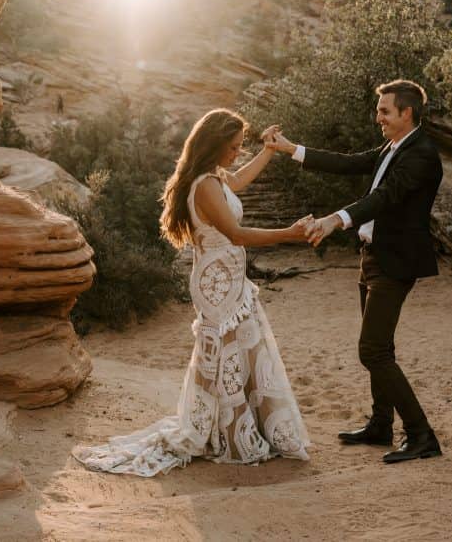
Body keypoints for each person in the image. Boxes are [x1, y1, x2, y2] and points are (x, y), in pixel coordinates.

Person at [72, 108, 313, 476]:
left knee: (241, 350)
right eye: (232, 148)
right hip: (216, 283)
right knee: (227, 352)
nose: (236, 154)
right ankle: (227, 434)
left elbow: (239, 180)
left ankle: (238, 428)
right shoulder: (204, 185)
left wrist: (269, 150)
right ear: (214, 145)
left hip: (229, 278)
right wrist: (290, 234)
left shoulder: (214, 177)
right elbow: (236, 234)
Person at [266, 79, 444, 464]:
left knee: (373, 350)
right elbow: (347, 163)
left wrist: (335, 220)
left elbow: (385, 197)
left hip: (395, 263)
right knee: (381, 347)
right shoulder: (393, 147)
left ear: (406, 112)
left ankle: (421, 435)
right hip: (373, 257)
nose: (377, 116)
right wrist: (290, 149)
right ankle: (381, 425)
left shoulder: (422, 154)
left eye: (384, 110)